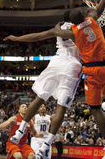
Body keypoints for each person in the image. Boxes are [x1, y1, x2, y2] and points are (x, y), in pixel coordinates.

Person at [5, 11, 83, 159]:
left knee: (40, 97)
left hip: (56, 62)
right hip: (72, 65)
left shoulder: (58, 28)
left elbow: (36, 36)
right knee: (62, 106)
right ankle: (48, 142)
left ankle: (21, 129)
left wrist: (16, 38)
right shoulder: (81, 27)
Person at [52, 0, 105, 159]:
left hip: (93, 70)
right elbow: (99, 8)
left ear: (71, 22)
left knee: (95, 109)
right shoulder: (92, 19)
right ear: (84, 15)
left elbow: (57, 32)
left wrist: (59, 24)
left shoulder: (73, 32)